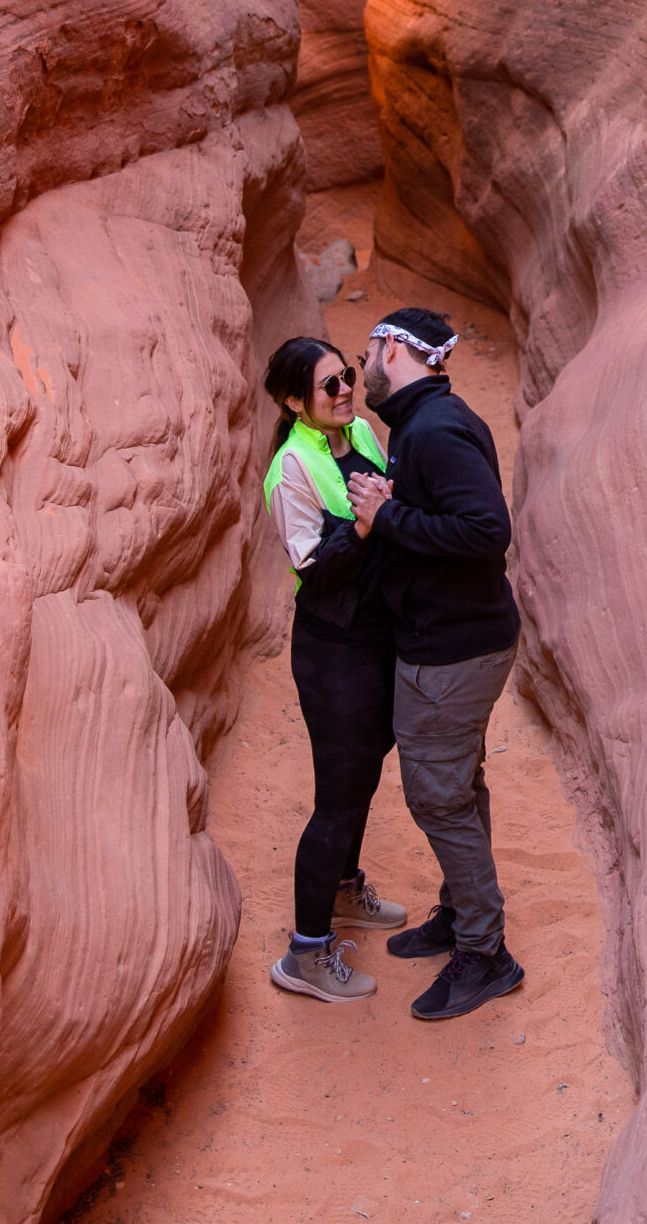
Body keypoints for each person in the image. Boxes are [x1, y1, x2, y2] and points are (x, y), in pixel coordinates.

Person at [348, 306, 527, 1020]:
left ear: (393, 348)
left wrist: (386, 516)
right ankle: (461, 913)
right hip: (457, 640)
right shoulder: (423, 421)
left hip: (452, 652)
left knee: (437, 796)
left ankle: (486, 953)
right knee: (458, 785)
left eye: (368, 350)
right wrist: (397, 506)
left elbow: (488, 529)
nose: (363, 366)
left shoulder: (435, 428)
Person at [259, 336, 412, 1006]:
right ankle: (306, 954)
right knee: (338, 796)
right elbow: (315, 570)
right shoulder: (292, 467)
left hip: (376, 635)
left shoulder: (360, 430)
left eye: (346, 376)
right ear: (295, 401)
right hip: (334, 648)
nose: (345, 390)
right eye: (329, 386)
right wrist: (366, 523)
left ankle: (345, 891)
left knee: (366, 770)